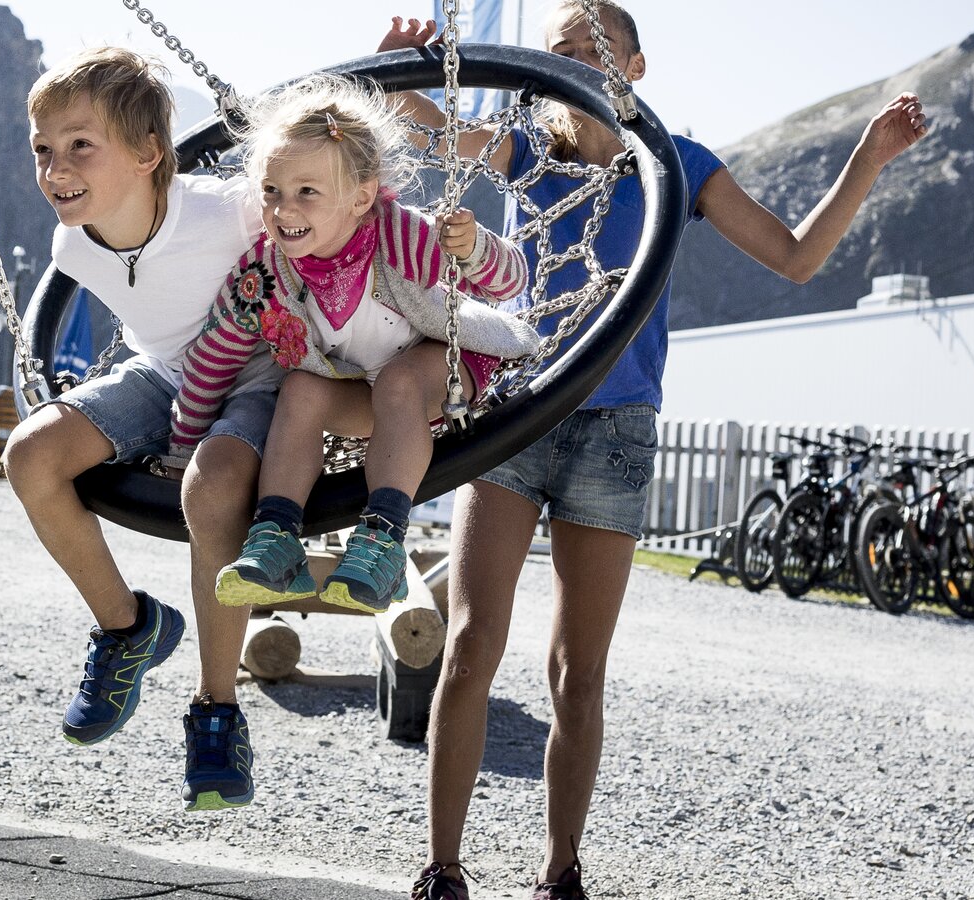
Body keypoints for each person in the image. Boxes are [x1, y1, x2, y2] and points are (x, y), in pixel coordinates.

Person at [379, 5, 930, 898]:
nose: (575, 64)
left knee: (576, 672)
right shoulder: (528, 153)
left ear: (636, 64)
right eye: (558, 53)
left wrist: (867, 155)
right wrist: (402, 70)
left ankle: (560, 869)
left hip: (616, 432)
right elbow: (435, 130)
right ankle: (442, 869)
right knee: (474, 642)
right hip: (519, 415)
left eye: (593, 49)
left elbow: (795, 258)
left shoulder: (678, 165)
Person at [4, 46, 285, 811]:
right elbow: (153, 337)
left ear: (148, 153)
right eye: (43, 149)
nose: (55, 166)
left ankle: (217, 710)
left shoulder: (227, 209)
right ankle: (127, 627)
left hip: (257, 380)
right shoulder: (73, 246)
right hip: (162, 376)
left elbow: (333, 214)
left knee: (214, 484)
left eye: (79, 145)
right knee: (30, 455)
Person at [166, 75, 536, 616]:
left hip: (449, 370)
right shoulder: (263, 275)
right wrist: (182, 448)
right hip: (365, 394)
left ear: (361, 197)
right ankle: (276, 536)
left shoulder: (400, 236)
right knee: (300, 389)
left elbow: (509, 283)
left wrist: (476, 248)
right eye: (272, 191)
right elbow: (212, 358)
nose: (284, 209)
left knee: (401, 381)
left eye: (307, 192)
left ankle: (382, 537)